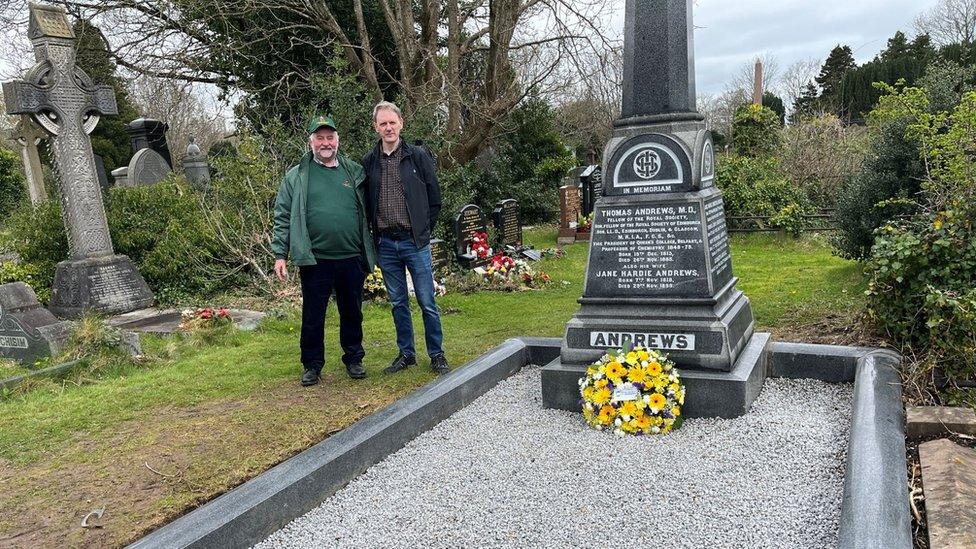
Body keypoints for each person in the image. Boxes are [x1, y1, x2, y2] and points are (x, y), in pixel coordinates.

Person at [272, 114, 376, 386]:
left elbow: (370, 209)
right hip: (315, 259)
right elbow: (283, 215)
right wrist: (280, 254)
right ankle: (312, 365)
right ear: (311, 142)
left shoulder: (354, 172)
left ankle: (354, 358)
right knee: (313, 315)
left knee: (352, 312)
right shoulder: (296, 176)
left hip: (351, 256)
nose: (325, 143)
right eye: (320, 138)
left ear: (337, 140)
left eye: (330, 137)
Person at [363, 101, 450, 375]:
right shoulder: (370, 161)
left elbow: (434, 199)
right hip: (386, 244)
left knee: (426, 300)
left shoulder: (418, 156)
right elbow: (366, 201)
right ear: (376, 127)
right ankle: (406, 353)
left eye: (392, 122)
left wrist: (423, 230)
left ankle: (436, 354)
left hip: (415, 242)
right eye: (383, 123)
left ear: (401, 123)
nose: (388, 127)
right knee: (398, 302)